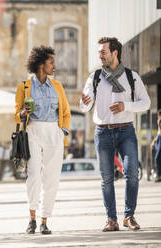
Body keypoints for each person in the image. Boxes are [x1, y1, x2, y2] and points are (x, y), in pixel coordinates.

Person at [80, 37, 150, 231]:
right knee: (107, 179)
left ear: (115, 53)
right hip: (102, 132)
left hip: (126, 130)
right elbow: (84, 106)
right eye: (99, 52)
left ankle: (129, 216)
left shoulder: (131, 76)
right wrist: (85, 102)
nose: (100, 55)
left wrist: (125, 105)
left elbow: (146, 103)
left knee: (132, 174)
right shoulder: (95, 77)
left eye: (103, 52)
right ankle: (112, 220)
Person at [15, 45, 71, 235]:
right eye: (51, 62)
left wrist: (62, 131)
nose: (54, 66)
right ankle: (32, 218)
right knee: (34, 175)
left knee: (52, 179)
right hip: (33, 131)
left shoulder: (58, 87)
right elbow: (17, 114)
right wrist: (22, 112)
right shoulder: (24, 87)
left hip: (54, 132)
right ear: (40, 64)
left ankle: (44, 221)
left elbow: (65, 112)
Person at [151, 109, 161, 182]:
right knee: (157, 157)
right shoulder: (159, 121)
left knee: (157, 158)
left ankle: (159, 175)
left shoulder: (160, 121)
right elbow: (158, 132)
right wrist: (154, 141)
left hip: (160, 139)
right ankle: (158, 175)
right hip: (158, 139)